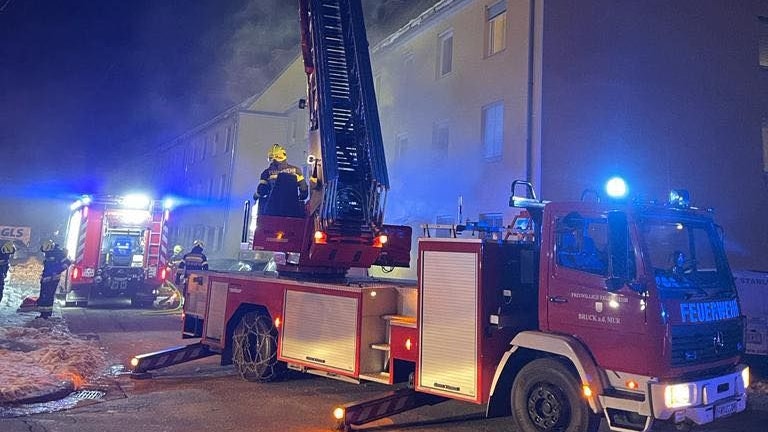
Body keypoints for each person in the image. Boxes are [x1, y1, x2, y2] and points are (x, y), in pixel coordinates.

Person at [253, 143, 309, 217]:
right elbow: (304, 191)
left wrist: (255, 196)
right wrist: (298, 198)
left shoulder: (267, 173)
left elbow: (262, 190)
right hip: (293, 213)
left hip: (271, 212)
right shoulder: (296, 171)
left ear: (274, 159)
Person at [38, 240, 71, 319]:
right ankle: (43, 314)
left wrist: (57, 271)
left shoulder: (58, 253)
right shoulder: (48, 252)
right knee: (44, 295)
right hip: (46, 277)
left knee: (48, 296)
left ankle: (46, 315)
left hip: (53, 279)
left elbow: (67, 262)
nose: (45, 254)